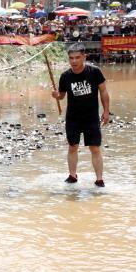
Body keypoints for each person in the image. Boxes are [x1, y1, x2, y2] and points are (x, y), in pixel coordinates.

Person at [52, 43, 110, 187]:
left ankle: (99, 179)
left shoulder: (94, 72)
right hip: (73, 117)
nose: (74, 61)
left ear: (84, 57)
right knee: (72, 146)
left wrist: (106, 111)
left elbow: (103, 91)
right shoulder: (65, 76)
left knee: (95, 148)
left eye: (77, 57)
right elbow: (62, 96)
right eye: (71, 58)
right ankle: (72, 175)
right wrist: (56, 96)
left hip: (91, 117)